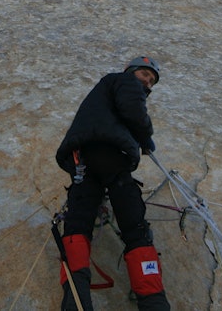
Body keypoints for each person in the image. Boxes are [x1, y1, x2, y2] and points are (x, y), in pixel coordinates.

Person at [54, 56, 171, 311]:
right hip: (111, 156)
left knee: (78, 221)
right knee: (133, 223)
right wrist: (145, 137)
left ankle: (75, 300)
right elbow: (133, 109)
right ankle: (153, 302)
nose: (147, 83)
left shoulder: (107, 89)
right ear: (130, 71)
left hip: (83, 158)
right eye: (144, 75)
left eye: (151, 81)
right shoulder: (124, 81)